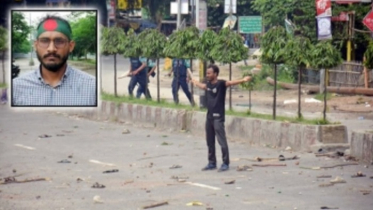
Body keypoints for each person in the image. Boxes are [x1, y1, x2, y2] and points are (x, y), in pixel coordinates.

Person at [12, 15, 96, 106]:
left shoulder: (92, 87)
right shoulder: (16, 87)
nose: (51, 49)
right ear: (36, 45)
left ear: (71, 46)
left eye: (59, 41)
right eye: (44, 41)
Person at [191, 64, 251, 172]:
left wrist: (243, 80)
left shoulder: (221, 84)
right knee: (210, 141)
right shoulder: (208, 84)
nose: (207, 75)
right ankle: (212, 163)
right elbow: (203, 86)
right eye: (207, 73)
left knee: (221, 141)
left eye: (209, 73)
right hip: (209, 117)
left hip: (218, 117)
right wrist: (195, 82)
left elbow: (231, 82)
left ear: (215, 74)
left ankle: (225, 163)